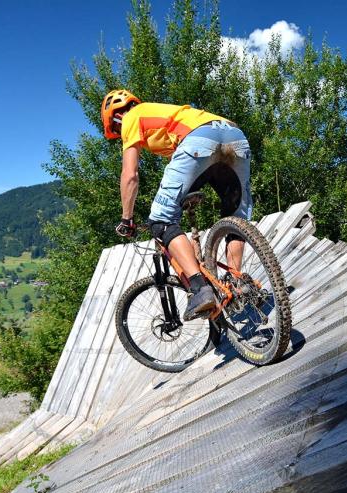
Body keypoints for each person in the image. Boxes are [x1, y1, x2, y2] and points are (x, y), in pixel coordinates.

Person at [101, 89, 253, 321]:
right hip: (235, 135)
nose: (121, 133)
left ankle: (200, 289)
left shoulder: (132, 117)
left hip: (198, 140)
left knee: (161, 220)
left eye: (116, 129)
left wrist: (127, 218)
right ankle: (237, 284)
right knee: (236, 214)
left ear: (115, 118)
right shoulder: (166, 114)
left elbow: (129, 175)